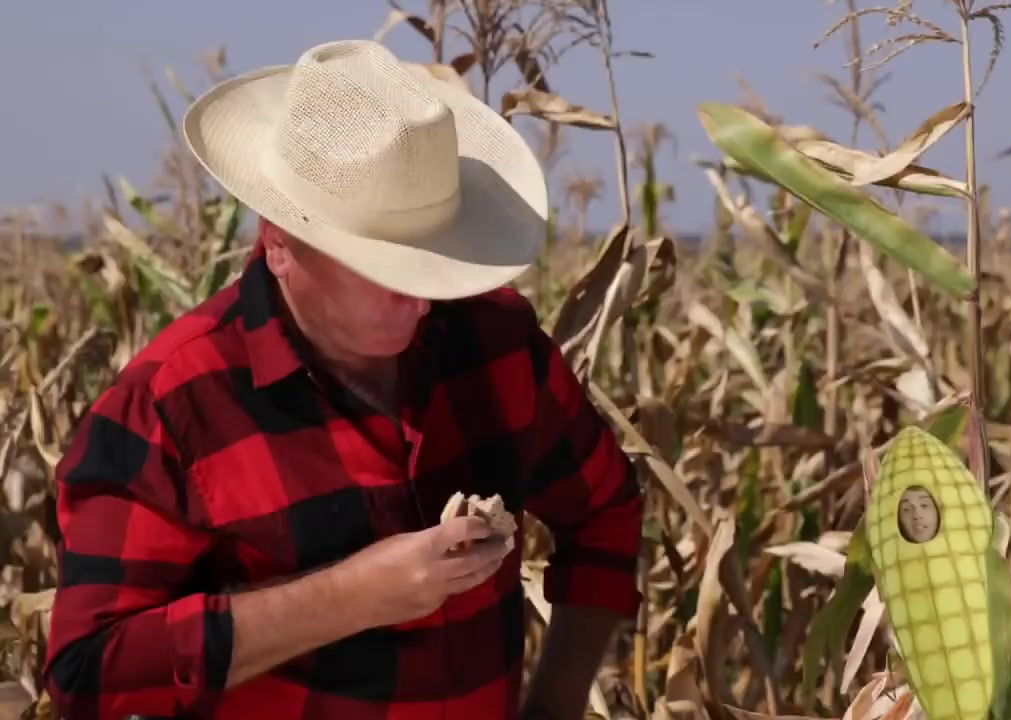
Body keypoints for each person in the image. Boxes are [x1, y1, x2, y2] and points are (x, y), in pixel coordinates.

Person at [41, 39, 643, 720]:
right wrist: (351, 598)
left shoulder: (493, 342)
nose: (421, 298)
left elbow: (605, 510)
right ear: (279, 242)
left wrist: (555, 703)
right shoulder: (171, 407)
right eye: (386, 268)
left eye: (434, 260)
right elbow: (90, 671)